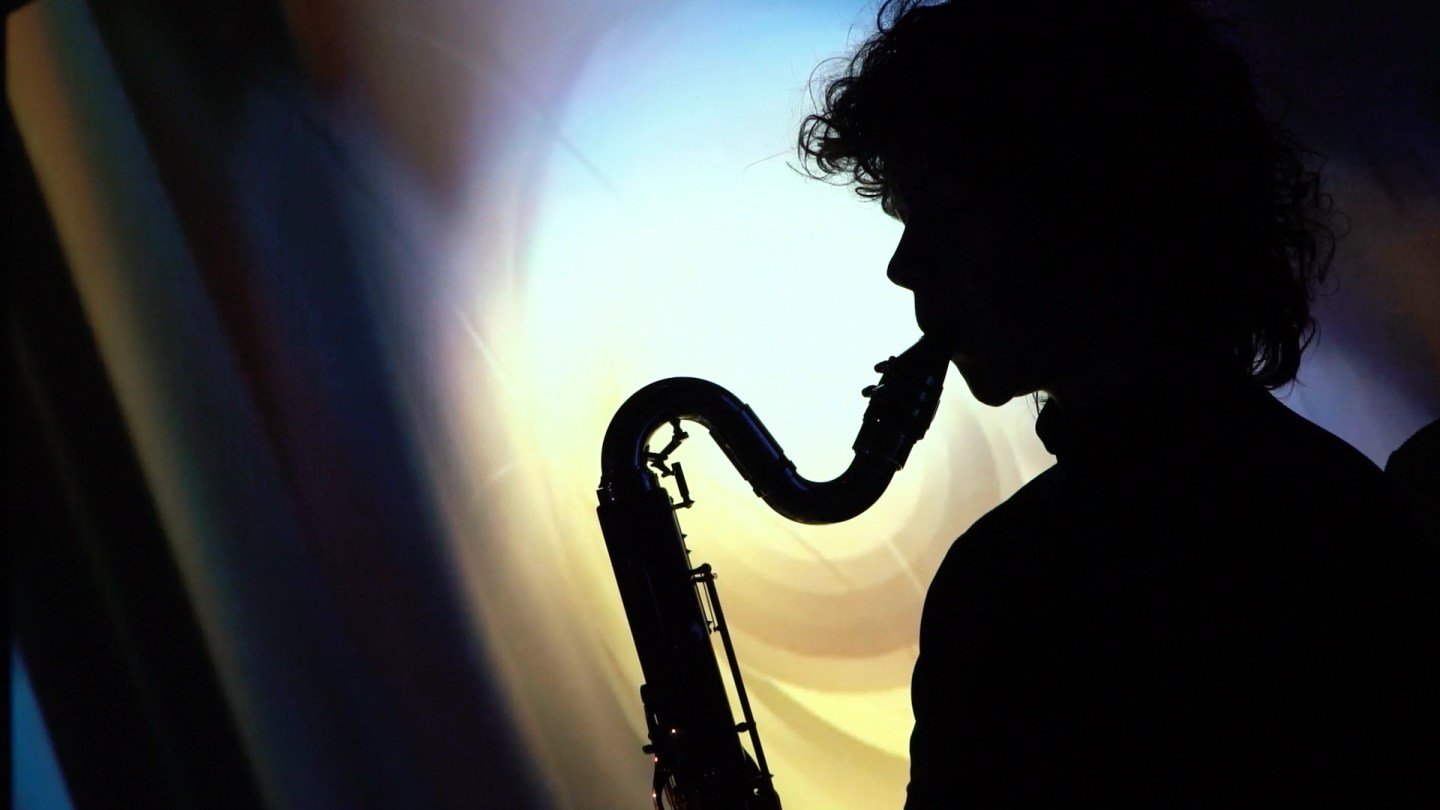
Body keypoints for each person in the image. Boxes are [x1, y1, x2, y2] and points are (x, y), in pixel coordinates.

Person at [798, 1, 1440, 805]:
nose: (905, 266)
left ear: (1085, 210)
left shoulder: (1010, 581)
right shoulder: (1340, 514)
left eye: (946, 211)